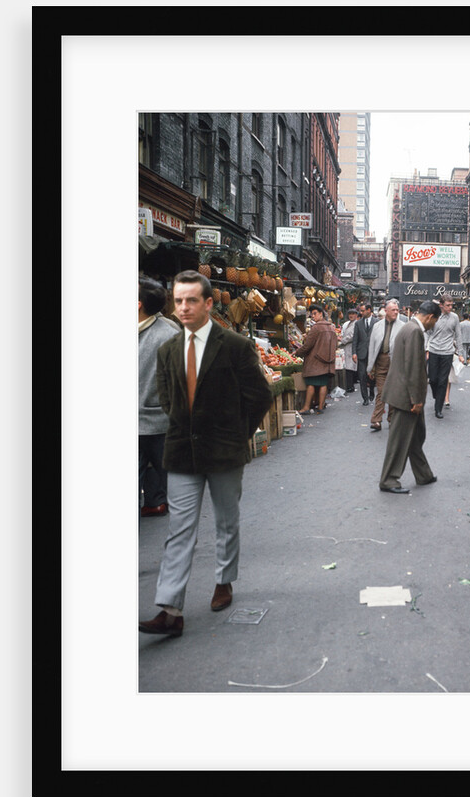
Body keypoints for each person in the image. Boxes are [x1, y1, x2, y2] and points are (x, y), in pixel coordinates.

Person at [139, 270, 273, 637]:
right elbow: (168, 399)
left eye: (191, 300)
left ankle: (224, 581)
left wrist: (238, 435)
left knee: (226, 521)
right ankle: (169, 608)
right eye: (178, 301)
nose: (183, 307)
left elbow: (260, 395)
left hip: (225, 452)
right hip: (182, 452)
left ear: (209, 303)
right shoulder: (168, 350)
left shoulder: (234, 345)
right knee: (179, 530)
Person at [378, 300, 441, 494]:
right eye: (435, 321)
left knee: (415, 437)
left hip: (403, 392)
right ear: (430, 317)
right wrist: (417, 400)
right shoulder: (414, 332)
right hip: (406, 396)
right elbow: (413, 368)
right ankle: (388, 480)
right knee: (399, 441)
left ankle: (423, 474)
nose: (434, 325)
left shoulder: (407, 327)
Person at [138, 276, 181, 516]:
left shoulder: (167, 333)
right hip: (159, 415)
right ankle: (155, 501)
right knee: (156, 462)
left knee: (155, 462)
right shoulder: (171, 332)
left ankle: (155, 501)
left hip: (157, 416)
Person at [366, 299, 408, 431]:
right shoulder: (377, 326)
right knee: (382, 392)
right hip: (381, 362)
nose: (396, 312)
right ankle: (376, 420)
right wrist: (370, 367)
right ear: (386, 311)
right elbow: (371, 346)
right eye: (393, 310)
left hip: (396, 363)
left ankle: (392, 419)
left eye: (397, 310)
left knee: (394, 392)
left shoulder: (403, 325)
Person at [294, 304, 338, 414]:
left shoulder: (316, 328)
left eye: (315, 313)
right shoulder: (331, 327)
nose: (313, 316)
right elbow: (335, 345)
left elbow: (307, 345)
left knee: (311, 384)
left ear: (321, 314)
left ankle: (306, 407)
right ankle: (320, 407)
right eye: (311, 314)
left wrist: (297, 353)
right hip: (328, 362)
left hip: (315, 361)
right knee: (323, 384)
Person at [424, 296, 464, 419]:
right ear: (441, 305)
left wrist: (461, 353)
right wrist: (426, 349)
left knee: (443, 380)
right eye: (448, 305)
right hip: (434, 351)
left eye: (452, 305)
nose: (450, 307)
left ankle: (438, 408)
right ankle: (437, 396)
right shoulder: (434, 316)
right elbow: (427, 332)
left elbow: (458, 335)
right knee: (433, 379)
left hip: (447, 352)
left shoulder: (455, 318)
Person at [352, 302, 376, 405]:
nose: (360, 313)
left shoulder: (377, 322)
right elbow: (355, 339)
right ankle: (365, 398)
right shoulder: (358, 323)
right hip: (361, 353)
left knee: (372, 375)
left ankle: (371, 390)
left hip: (373, 353)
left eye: (362, 310)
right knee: (362, 376)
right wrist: (354, 353)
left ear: (369, 310)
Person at [339, 307, 359, 393]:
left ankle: (350, 386)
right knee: (348, 367)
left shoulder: (355, 323)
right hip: (347, 347)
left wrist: (342, 341)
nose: (351, 315)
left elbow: (351, 336)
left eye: (353, 314)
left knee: (349, 368)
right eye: (350, 314)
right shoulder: (349, 323)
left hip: (350, 347)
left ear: (356, 315)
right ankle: (349, 386)